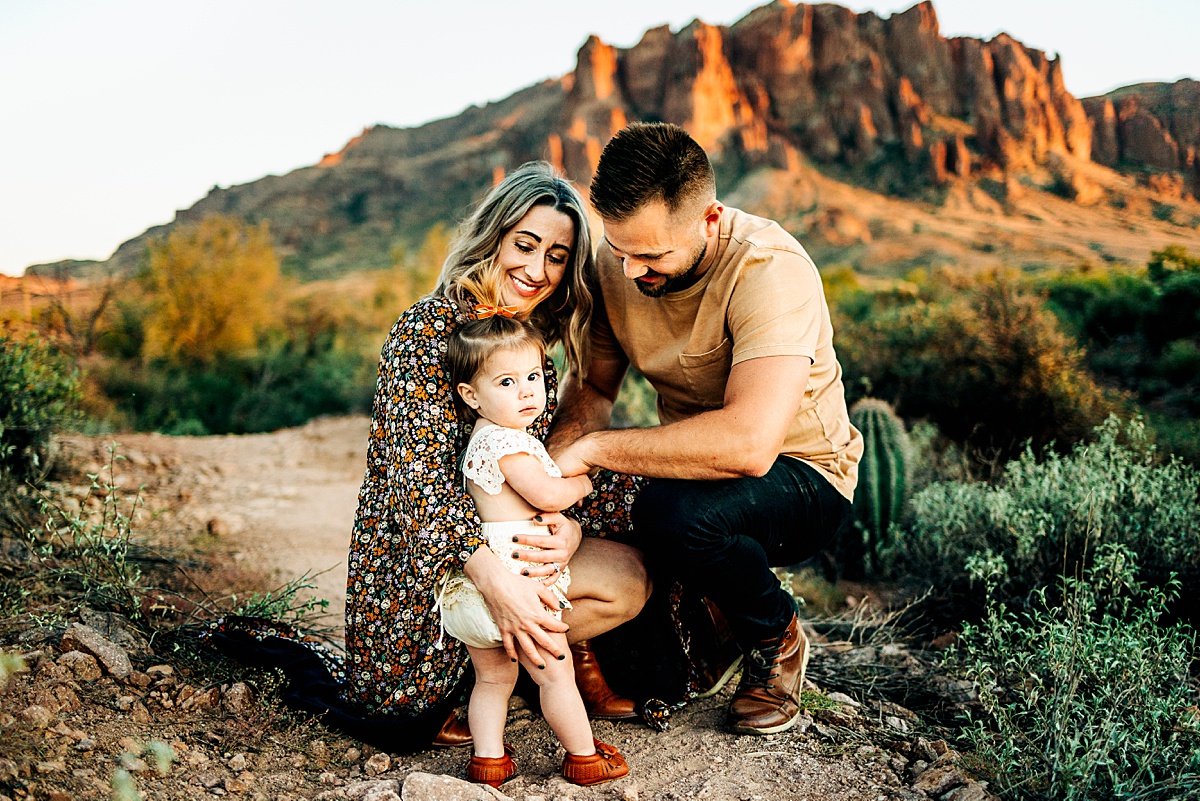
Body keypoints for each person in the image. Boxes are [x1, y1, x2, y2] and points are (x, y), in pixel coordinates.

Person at [552, 123, 863, 736]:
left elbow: (750, 444)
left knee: (677, 515)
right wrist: (555, 463)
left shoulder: (769, 271)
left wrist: (592, 450)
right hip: (694, 468)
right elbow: (592, 388)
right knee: (584, 489)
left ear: (710, 218)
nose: (632, 269)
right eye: (620, 250)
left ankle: (775, 634)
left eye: (652, 255)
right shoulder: (619, 263)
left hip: (802, 476)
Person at [342, 161, 650, 749]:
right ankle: (486, 674)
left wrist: (566, 528)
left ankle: (531, 668)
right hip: (425, 568)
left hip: (507, 541)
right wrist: (500, 590)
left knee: (630, 569)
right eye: (525, 245)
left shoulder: (530, 344)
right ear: (495, 238)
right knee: (411, 703)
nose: (537, 270)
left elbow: (529, 465)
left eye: (556, 257)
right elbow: (418, 489)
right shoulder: (425, 331)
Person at [440, 312, 629, 788]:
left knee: (493, 680)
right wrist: (581, 482)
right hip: (518, 583)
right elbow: (546, 496)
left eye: (532, 377)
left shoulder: (482, 440)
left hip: (473, 592)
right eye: (506, 381)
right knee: (555, 675)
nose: (527, 391)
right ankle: (584, 756)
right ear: (471, 395)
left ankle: (489, 760)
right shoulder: (505, 442)